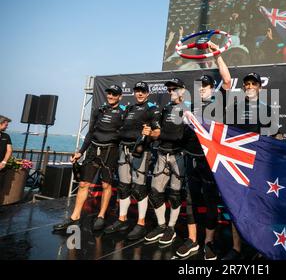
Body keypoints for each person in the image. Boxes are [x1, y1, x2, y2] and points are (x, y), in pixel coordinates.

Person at [176, 42, 232, 260]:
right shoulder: (192, 105)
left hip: (210, 160)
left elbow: (226, 79)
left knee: (210, 202)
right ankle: (192, 240)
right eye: (200, 85)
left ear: (212, 88)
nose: (202, 88)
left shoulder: (220, 98)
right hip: (191, 158)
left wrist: (217, 54)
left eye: (206, 85)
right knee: (190, 200)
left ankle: (208, 243)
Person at [53, 85, 126, 232]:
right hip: (93, 150)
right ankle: (74, 217)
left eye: (114, 94)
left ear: (120, 97)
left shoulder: (123, 113)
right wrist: (81, 151)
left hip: (110, 152)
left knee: (106, 186)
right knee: (83, 184)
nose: (111, 96)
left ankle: (101, 216)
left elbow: (126, 135)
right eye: (109, 93)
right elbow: (90, 133)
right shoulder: (98, 110)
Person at [223, 71, 279, 260]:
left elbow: (273, 138)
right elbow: (225, 135)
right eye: (246, 84)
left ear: (260, 88)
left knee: (259, 207)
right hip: (237, 163)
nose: (249, 87)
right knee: (235, 205)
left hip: (258, 165)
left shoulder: (268, 110)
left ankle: (259, 246)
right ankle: (236, 248)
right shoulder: (234, 109)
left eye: (253, 84)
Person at [104, 82, 161, 240]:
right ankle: (122, 220)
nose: (140, 94)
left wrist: (151, 133)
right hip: (124, 150)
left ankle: (141, 224)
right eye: (137, 91)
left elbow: (157, 132)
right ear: (134, 93)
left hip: (140, 152)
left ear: (148, 93)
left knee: (139, 188)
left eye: (143, 91)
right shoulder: (129, 108)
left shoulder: (152, 109)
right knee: (123, 187)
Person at [144, 78, 187, 246]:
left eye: (174, 89)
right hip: (162, 154)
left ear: (182, 90)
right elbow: (158, 130)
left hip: (179, 156)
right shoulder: (166, 108)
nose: (171, 92)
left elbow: (181, 137)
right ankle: (161, 225)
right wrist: (150, 133)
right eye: (169, 89)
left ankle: (171, 228)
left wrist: (156, 135)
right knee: (155, 192)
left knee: (175, 195)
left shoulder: (187, 109)